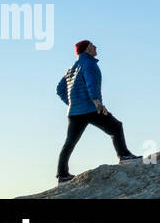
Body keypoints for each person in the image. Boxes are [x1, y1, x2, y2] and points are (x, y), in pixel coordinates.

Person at [55, 40, 140, 184]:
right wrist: (97, 102)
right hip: (90, 108)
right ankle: (124, 156)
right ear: (87, 48)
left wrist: (73, 103)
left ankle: (62, 176)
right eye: (92, 45)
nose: (95, 47)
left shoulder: (72, 67)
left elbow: (60, 89)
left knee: (69, 143)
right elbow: (91, 83)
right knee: (116, 127)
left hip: (75, 112)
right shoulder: (90, 64)